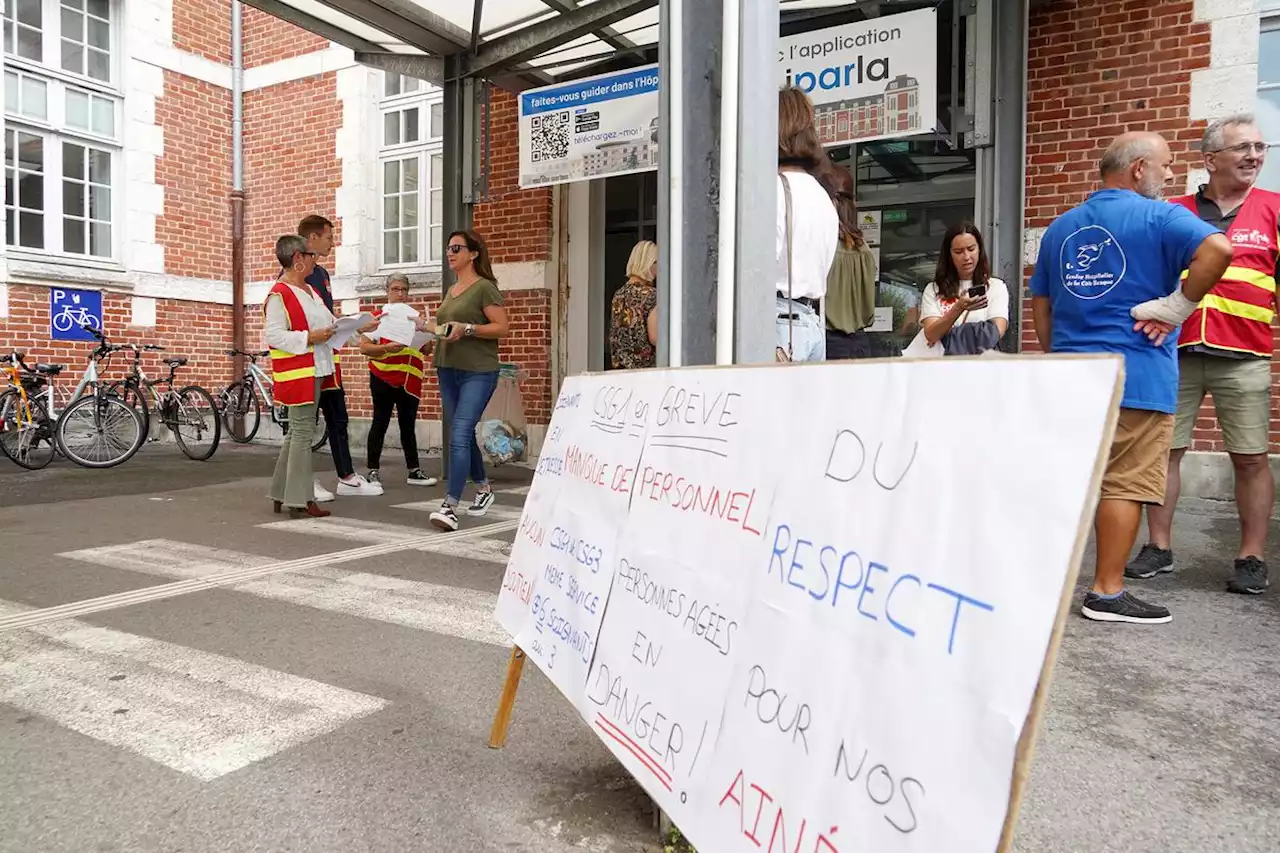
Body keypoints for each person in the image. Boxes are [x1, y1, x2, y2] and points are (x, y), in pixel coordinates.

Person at [1030, 131, 1233, 625]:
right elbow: (1220, 250)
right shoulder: (1161, 216)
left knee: (1073, 481)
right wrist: (1178, 305)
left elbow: (1041, 302)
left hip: (1075, 376)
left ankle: (1038, 584)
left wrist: (1061, 354)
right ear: (1138, 168)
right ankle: (1106, 592)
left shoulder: (1061, 228)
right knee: (1122, 483)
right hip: (1136, 374)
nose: (1169, 175)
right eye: (1165, 165)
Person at [1127, 115, 1279, 596]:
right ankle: (1158, 546)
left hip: (1247, 353)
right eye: (1243, 148)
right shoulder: (1172, 210)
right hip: (1175, 351)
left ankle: (1251, 556)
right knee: (1164, 453)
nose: (1254, 155)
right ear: (1210, 159)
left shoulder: (1275, 208)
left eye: (1260, 146)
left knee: (1251, 459)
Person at [428, 230, 511, 532]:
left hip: (478, 371)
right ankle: (484, 489)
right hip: (447, 367)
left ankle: (450, 506)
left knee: (460, 433)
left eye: (457, 248)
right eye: (448, 248)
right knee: (462, 432)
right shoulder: (452, 290)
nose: (450, 253)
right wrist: (427, 334)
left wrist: (469, 329)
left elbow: (501, 328)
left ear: (474, 253)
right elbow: (447, 328)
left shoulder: (485, 288)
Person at [298, 215, 382, 499]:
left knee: (338, 418)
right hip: (306, 363)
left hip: (328, 359)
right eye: (329, 237)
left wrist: (357, 326)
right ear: (312, 239)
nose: (333, 243)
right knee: (303, 424)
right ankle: (301, 481)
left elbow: (329, 318)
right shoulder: (294, 277)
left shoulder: (321, 275)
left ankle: (346, 477)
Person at [264, 235, 337, 519]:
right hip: (298, 373)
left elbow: (329, 324)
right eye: (311, 256)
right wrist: (310, 337)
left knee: (297, 433)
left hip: (314, 368)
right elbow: (274, 335)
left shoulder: (310, 291)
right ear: (298, 259)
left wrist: (361, 327)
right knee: (303, 433)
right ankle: (300, 498)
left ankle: (282, 493)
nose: (314, 260)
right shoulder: (278, 295)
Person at [359, 273, 439, 488]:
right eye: (395, 289)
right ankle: (372, 471)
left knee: (408, 426)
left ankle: (414, 471)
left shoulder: (414, 317)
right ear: (387, 291)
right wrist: (386, 347)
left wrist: (428, 336)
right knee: (379, 423)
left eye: (403, 290)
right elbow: (364, 348)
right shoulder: (378, 316)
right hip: (382, 376)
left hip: (409, 379)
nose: (400, 293)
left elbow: (426, 350)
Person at [776, 87, 838, 362]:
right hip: (810, 323)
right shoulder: (821, 195)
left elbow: (754, 270)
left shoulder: (773, 190)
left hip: (776, 324)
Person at [920, 223, 1008, 354]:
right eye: (958, 252)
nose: (966, 257)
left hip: (981, 368)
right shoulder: (933, 289)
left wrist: (947, 333)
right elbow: (931, 334)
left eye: (971, 249)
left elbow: (994, 334)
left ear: (979, 249)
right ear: (949, 255)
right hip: (942, 369)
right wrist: (959, 308)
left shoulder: (996, 287)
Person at [822, 165, 878, 360]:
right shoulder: (864, 250)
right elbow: (868, 310)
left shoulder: (823, 246)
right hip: (861, 343)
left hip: (829, 342)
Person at [609, 240, 659, 369]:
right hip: (644, 371)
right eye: (657, 262)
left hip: (620, 371)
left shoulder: (618, 295)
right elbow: (655, 337)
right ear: (648, 264)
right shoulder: (651, 295)